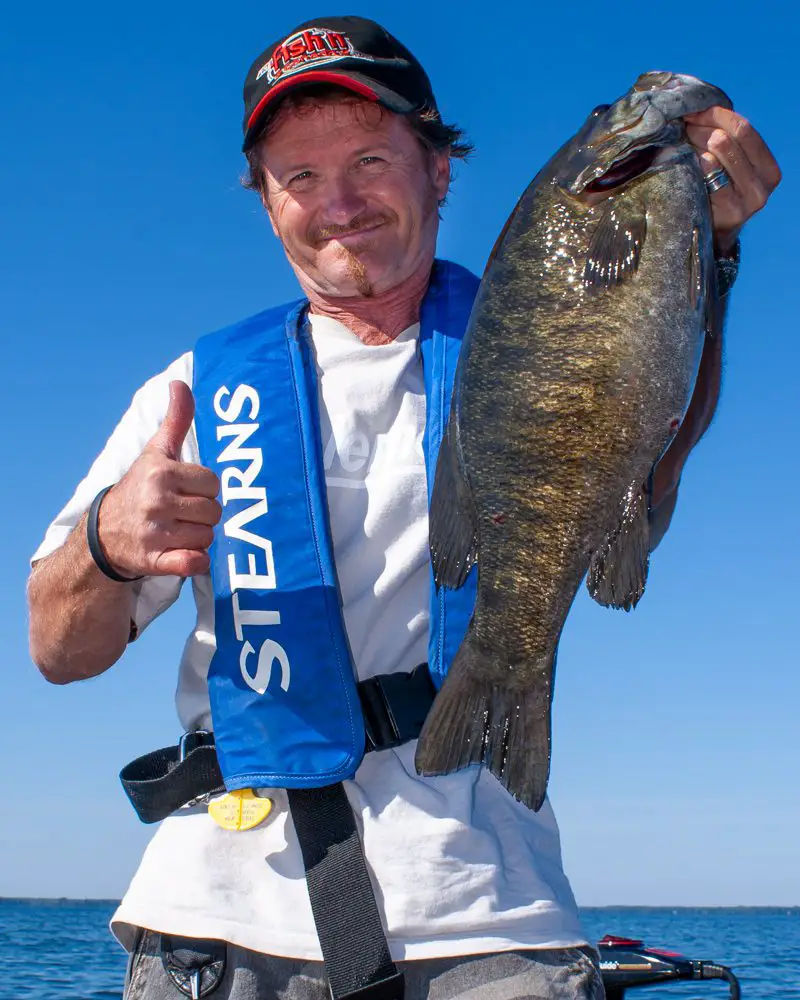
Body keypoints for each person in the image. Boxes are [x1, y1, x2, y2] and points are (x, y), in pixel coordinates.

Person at [27, 15, 780, 1000]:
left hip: (487, 912)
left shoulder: (531, 328)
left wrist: (703, 257)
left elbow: (645, 467)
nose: (335, 200)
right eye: (296, 175)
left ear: (438, 172)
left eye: (370, 158)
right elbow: (57, 648)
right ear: (265, 204)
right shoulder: (195, 391)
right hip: (213, 918)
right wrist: (108, 544)